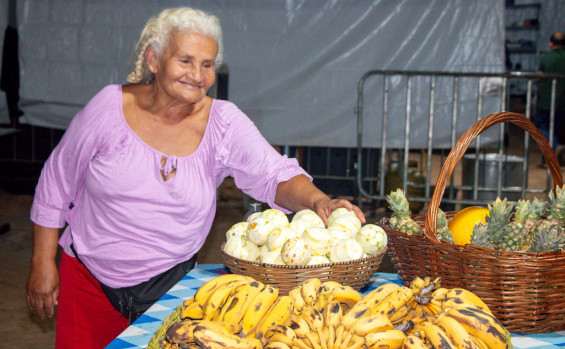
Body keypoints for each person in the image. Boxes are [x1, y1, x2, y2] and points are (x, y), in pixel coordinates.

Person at [25, 7, 365, 349]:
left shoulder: (223, 123)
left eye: (207, 65)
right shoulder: (109, 108)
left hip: (170, 286)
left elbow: (274, 173)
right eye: (185, 61)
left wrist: (319, 199)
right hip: (88, 280)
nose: (198, 75)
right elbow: (57, 181)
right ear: (154, 60)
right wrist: (42, 262)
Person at [534, 31, 565, 165]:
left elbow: (539, 77)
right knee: (557, 129)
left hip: (547, 101)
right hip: (562, 102)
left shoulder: (547, 57)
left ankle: (555, 146)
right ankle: (549, 160)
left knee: (541, 127)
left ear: (550, 43)